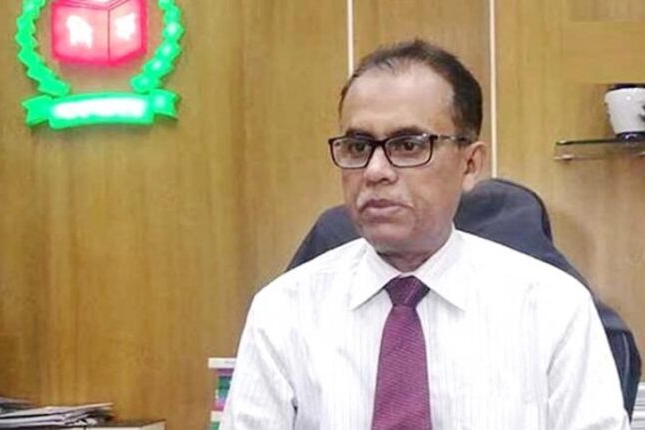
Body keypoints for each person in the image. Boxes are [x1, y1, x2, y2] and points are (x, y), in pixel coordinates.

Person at [220, 40, 629, 429]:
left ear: (470, 164)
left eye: (409, 145)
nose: (375, 171)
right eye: (358, 147)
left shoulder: (553, 308)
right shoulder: (283, 312)